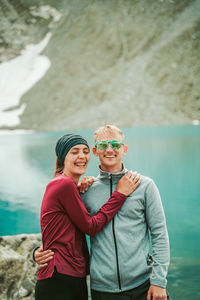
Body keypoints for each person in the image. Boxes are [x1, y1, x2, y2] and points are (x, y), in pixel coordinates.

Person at [34, 125, 170, 300]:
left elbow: (159, 234)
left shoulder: (144, 185)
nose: (110, 150)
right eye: (104, 145)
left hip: (142, 284)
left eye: (115, 144)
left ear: (125, 149)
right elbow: (62, 227)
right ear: (96, 151)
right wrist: (39, 251)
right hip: (103, 290)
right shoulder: (85, 191)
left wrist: (159, 280)